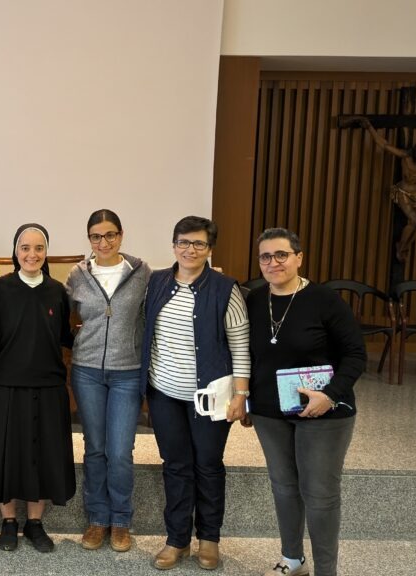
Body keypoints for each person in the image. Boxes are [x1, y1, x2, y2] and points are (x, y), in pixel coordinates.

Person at [245, 227, 366, 576]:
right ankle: (292, 560)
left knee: (320, 493)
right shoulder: (254, 300)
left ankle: (326, 571)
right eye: (265, 256)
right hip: (270, 412)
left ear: (299, 257)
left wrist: (330, 395)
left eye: (281, 254)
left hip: (324, 412)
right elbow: (245, 354)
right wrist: (246, 399)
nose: (273, 262)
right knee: (283, 487)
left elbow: (356, 354)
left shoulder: (324, 300)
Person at [140, 216, 250, 571]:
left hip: (211, 397)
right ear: (174, 245)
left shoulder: (225, 289)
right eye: (184, 242)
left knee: (208, 465)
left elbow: (241, 345)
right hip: (164, 394)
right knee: (175, 465)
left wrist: (241, 394)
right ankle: (176, 540)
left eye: (199, 243)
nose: (190, 249)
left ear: (209, 249)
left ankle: (209, 540)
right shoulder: (157, 282)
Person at [0, 223, 75, 554]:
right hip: (5, 385)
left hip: (48, 386)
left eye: (39, 248)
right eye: (25, 248)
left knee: (42, 456)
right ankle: (8, 521)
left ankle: (35, 523)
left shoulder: (57, 291)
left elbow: (64, 337)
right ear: (15, 251)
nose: (32, 254)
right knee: (6, 454)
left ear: (46, 252)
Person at [64, 209, 150, 553]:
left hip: (127, 371)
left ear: (121, 235)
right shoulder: (77, 274)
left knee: (120, 451)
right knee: (95, 448)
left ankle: (122, 520)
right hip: (86, 371)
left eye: (110, 234)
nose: (104, 242)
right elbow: (61, 314)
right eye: (96, 237)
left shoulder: (141, 273)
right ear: (89, 239)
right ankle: (98, 518)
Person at [349, 115, 416, 262]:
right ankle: (401, 246)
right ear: (414, 155)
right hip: (403, 192)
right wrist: (369, 127)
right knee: (414, 220)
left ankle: (406, 244)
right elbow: (384, 145)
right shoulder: (406, 157)